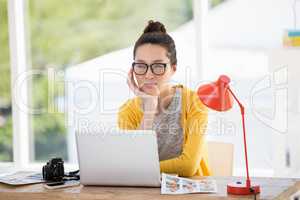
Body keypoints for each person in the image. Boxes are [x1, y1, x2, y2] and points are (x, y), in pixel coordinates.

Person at [118, 20, 211, 177]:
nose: (148, 75)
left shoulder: (195, 102)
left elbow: (188, 167)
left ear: (173, 69)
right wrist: (149, 110)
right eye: (141, 66)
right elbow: (131, 162)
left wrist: (141, 170)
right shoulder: (127, 111)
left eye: (158, 66)